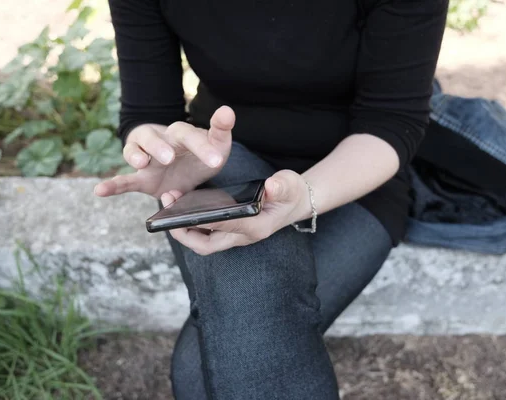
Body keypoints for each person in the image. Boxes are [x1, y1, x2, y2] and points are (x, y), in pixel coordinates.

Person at [95, 0, 448, 398]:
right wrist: (157, 150)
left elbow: (392, 121)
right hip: (222, 157)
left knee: (200, 370)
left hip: (355, 172)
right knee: (252, 289)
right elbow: (149, 108)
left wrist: (302, 199)